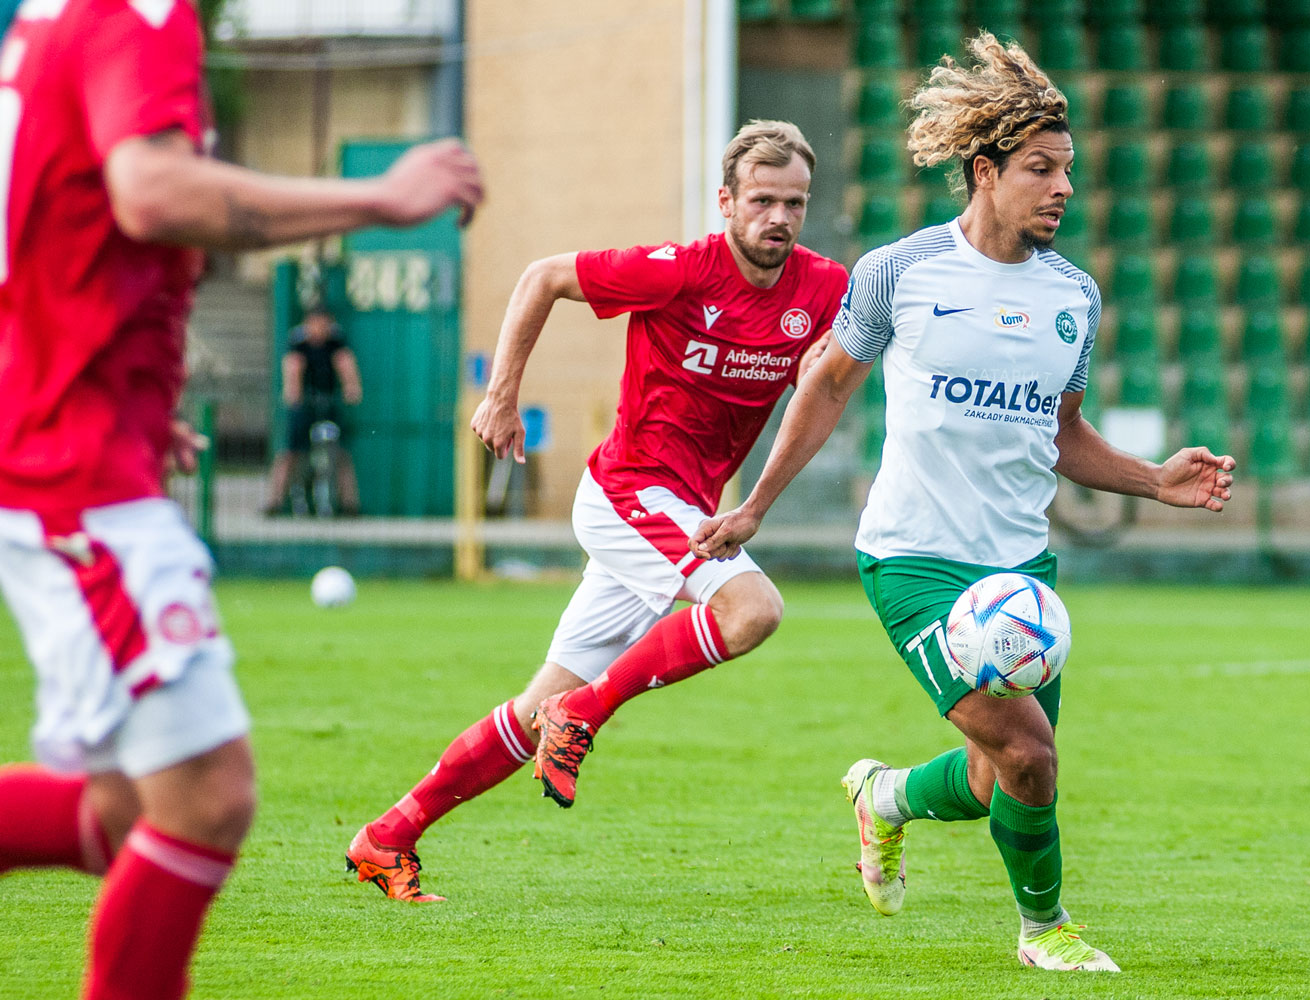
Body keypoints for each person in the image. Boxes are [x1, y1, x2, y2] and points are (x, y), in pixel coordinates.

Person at [691, 34, 1235, 974]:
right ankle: (1046, 931)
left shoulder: (1075, 298)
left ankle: (886, 797)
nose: (1063, 188)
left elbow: (1061, 436)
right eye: (1040, 169)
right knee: (1033, 760)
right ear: (985, 171)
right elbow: (823, 389)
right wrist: (754, 508)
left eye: (1069, 170)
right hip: (913, 557)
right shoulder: (900, 273)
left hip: (1021, 572)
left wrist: (1154, 479)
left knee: (994, 781)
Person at [0, 2, 483, 997]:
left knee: (134, 812)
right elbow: (150, 192)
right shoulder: (135, 9)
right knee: (205, 798)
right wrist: (378, 198)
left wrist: (126, 401)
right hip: (74, 476)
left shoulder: (51, 21)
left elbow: (64, 232)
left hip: (80, 448)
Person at [345, 120, 848, 902]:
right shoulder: (678, 271)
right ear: (725, 202)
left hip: (684, 510)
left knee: (530, 710)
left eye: (794, 202)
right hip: (629, 492)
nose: (778, 217)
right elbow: (543, 276)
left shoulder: (823, 291)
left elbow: (823, 395)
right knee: (753, 610)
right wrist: (503, 394)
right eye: (761, 200)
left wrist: (758, 492)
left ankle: (387, 837)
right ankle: (586, 712)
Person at [263, 307, 363, 516]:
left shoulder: (336, 340)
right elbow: (293, 368)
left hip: (328, 402)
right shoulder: (299, 340)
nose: (320, 329)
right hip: (304, 403)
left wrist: (351, 388)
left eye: (324, 324)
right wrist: (293, 394)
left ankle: (349, 504)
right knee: (290, 453)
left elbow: (345, 363)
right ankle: (274, 501)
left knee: (341, 452)